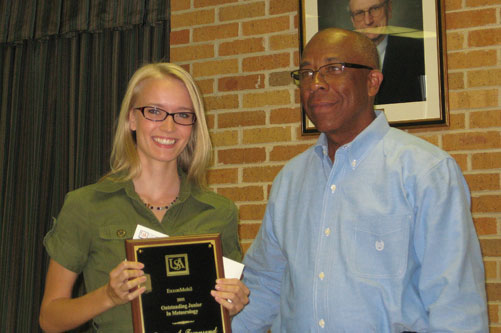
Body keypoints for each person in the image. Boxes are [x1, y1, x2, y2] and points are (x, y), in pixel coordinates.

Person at [231, 28, 487, 332]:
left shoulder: (426, 173)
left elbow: (455, 304)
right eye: (307, 73)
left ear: (372, 82)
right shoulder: (289, 181)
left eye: (333, 69)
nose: (316, 84)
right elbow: (264, 285)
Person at [39, 63, 249, 332]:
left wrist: (235, 303)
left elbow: (219, 313)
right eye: (154, 111)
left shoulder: (220, 212)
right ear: (132, 119)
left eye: (183, 114)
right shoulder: (85, 206)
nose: (169, 126)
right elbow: (50, 319)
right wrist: (107, 296)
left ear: (194, 126)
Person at [348, 0, 425, 104]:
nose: (368, 20)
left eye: (374, 9)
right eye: (359, 13)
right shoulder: (343, 59)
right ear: (353, 20)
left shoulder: (418, 52)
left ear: (389, 9)